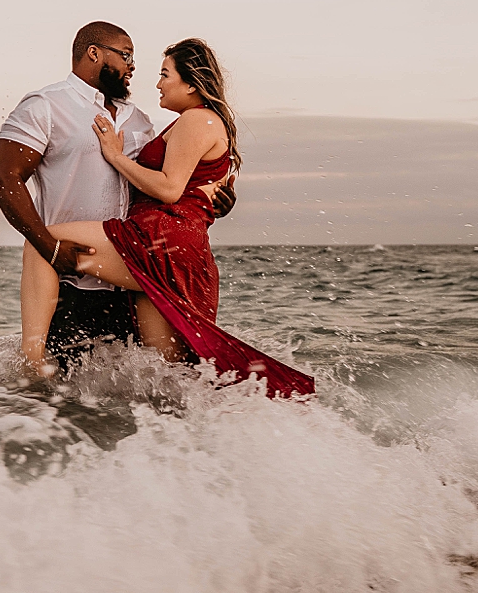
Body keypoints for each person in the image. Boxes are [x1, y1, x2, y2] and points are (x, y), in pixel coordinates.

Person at [20, 38, 315, 399]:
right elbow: (198, 189)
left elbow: (171, 189)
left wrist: (115, 155)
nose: (157, 83)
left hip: (160, 239)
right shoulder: (197, 122)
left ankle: (32, 365)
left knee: (44, 243)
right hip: (176, 245)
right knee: (170, 374)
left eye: (165, 74)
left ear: (191, 83)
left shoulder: (197, 119)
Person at [0, 22, 234, 374]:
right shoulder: (46, 105)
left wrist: (216, 199)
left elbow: (169, 186)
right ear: (94, 53)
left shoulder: (141, 122)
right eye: (126, 56)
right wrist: (50, 248)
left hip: (133, 284)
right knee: (56, 403)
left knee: (158, 386)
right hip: (71, 280)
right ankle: (31, 366)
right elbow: (4, 179)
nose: (133, 67)